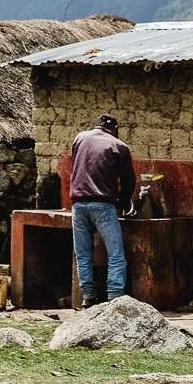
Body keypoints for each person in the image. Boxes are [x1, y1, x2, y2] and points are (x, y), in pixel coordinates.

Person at [69, 113, 136, 307]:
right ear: (114, 130)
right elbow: (129, 180)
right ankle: (114, 298)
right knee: (115, 254)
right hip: (103, 205)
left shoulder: (80, 138)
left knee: (83, 254)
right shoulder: (119, 146)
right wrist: (123, 202)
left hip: (78, 204)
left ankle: (88, 297)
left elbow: (76, 165)